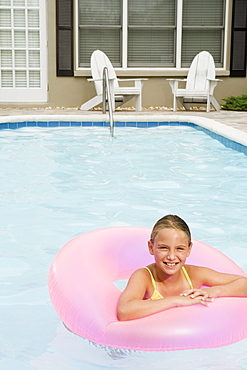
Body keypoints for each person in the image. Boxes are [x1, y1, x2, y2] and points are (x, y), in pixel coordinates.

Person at [117, 215, 247, 321]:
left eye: (179, 249)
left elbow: (243, 283)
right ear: (151, 247)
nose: (171, 256)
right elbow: (124, 311)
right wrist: (176, 301)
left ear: (189, 249)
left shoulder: (194, 274)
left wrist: (213, 291)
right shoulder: (144, 277)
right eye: (163, 248)